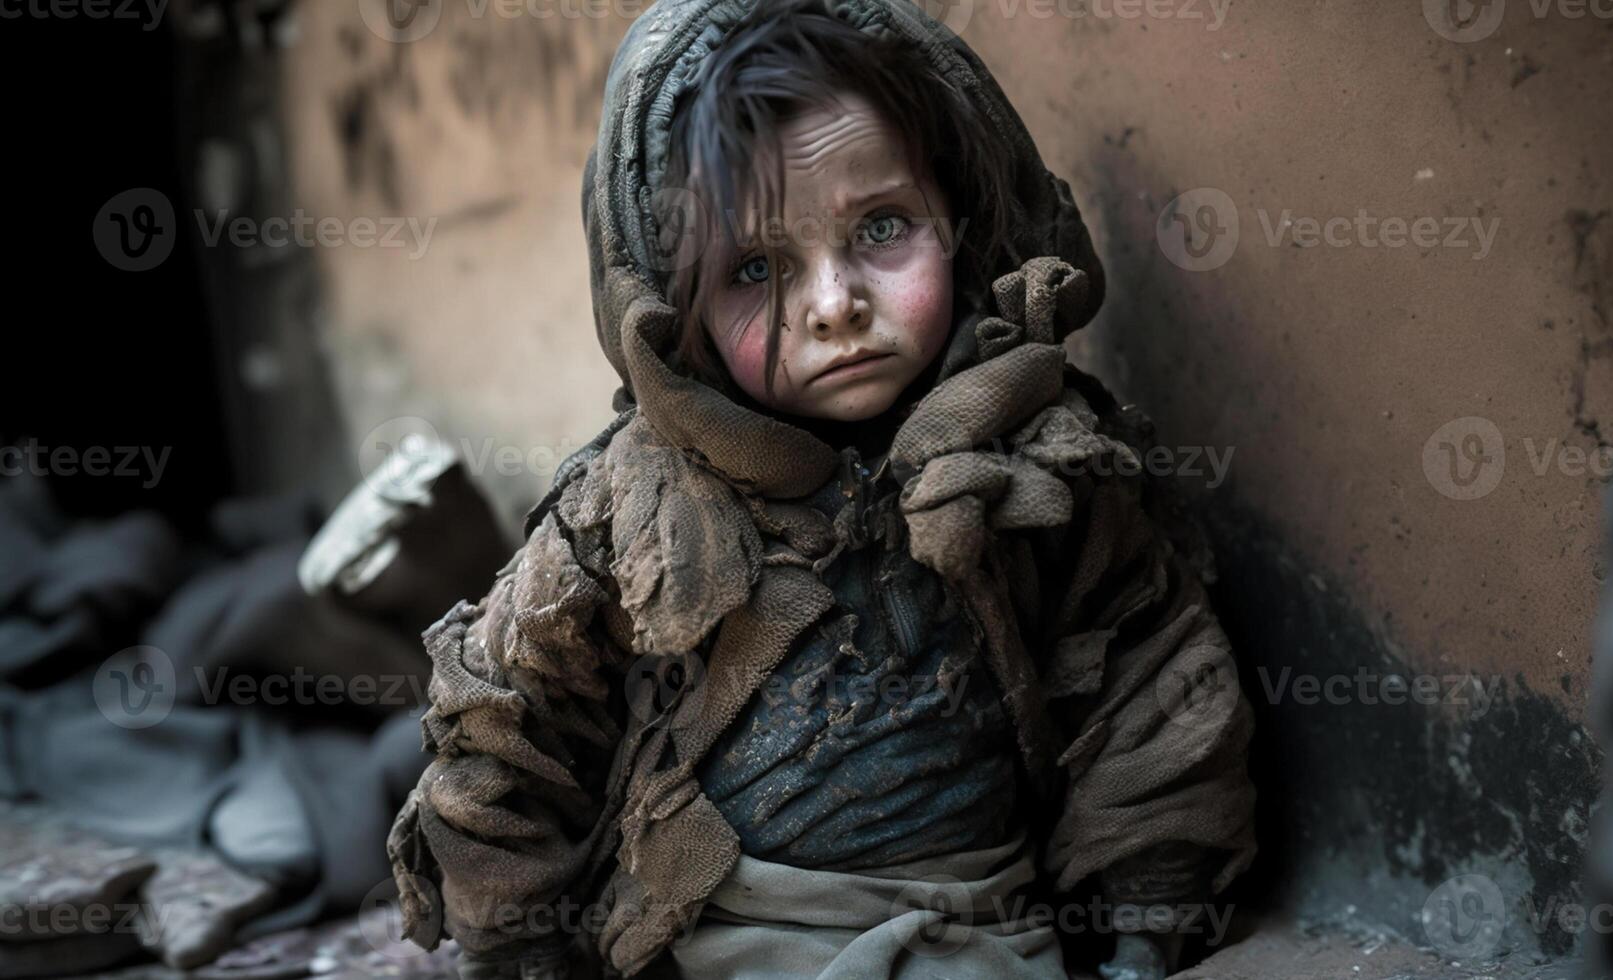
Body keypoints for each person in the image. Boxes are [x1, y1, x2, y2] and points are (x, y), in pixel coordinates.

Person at [386, 0, 1257, 976]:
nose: (834, 304)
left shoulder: (1043, 456)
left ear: (962, 219)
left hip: (987, 930)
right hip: (721, 938)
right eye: (755, 267)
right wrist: (526, 950)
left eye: (881, 226)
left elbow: (1152, 678)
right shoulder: (624, 513)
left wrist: (1144, 919)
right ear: (671, 312)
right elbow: (505, 734)